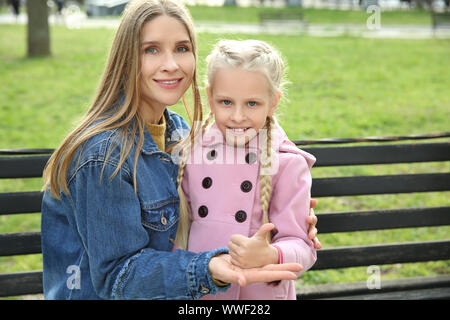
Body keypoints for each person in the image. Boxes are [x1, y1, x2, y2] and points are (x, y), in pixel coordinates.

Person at [41, 0, 319, 300]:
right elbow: (117, 276)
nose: (171, 64)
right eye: (152, 49)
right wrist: (208, 269)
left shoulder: (179, 133)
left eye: (182, 48)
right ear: (126, 59)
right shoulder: (103, 156)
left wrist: (282, 243)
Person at [174, 40, 316, 300]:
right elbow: (177, 232)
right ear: (210, 98)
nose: (237, 116)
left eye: (252, 104)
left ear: (273, 102)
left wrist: (271, 254)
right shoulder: (190, 153)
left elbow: (303, 247)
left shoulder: (286, 164)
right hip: (199, 293)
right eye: (226, 102)